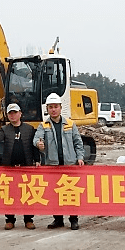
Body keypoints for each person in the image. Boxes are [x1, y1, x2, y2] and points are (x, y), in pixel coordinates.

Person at [33, 92, 85, 230]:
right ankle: (58, 219)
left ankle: (73, 219)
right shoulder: (43, 125)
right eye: (50, 107)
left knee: (71, 192)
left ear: (60, 108)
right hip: (53, 166)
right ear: (47, 109)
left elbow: (78, 142)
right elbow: (36, 138)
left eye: (56, 106)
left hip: (69, 165)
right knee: (55, 194)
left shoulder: (70, 124)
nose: (53, 109)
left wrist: (80, 157)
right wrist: (39, 144)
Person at [0, 103, 40, 230]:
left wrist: (37, 160)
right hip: (10, 168)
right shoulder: (5, 129)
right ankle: (10, 219)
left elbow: (34, 147)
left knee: (27, 193)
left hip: (26, 167)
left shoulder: (29, 129)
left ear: (20, 113)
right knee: (9, 194)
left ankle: (28, 219)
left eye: (15, 112)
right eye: (10, 113)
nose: (13, 115)